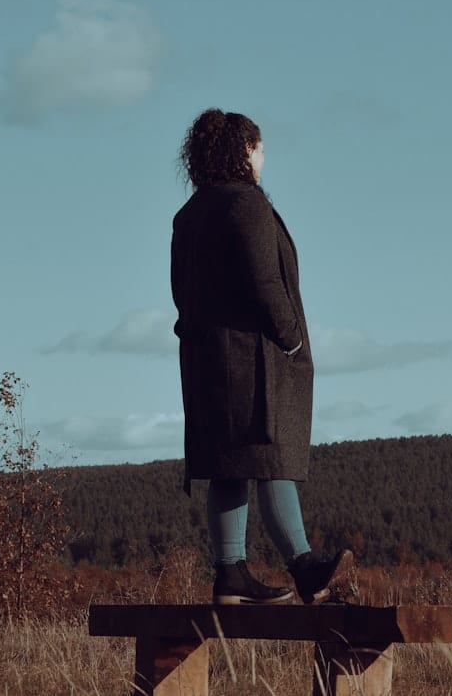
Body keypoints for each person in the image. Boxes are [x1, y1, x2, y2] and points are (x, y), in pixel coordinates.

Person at [171, 108, 350, 605]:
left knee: (230, 463)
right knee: (271, 456)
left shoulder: (188, 214)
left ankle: (232, 575)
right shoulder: (245, 204)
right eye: (259, 147)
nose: (263, 156)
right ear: (243, 151)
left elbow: (179, 292)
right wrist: (290, 337)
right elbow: (264, 282)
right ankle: (304, 565)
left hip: (206, 360)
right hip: (253, 359)